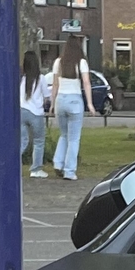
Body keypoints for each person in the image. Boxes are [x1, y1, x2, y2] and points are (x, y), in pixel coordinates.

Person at [49, 33, 94, 181]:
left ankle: (57, 162)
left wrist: (52, 103)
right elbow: (86, 83)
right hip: (75, 100)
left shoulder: (58, 62)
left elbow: (55, 84)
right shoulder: (81, 62)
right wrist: (90, 104)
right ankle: (69, 171)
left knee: (63, 134)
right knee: (74, 138)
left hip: (60, 100)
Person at [19, 49, 49, 176]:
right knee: (38, 141)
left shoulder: (21, 79)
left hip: (21, 111)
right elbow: (47, 96)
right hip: (36, 113)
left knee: (23, 141)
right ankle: (36, 169)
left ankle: (12, 164)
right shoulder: (40, 79)